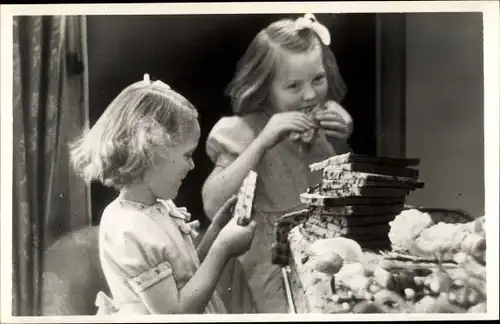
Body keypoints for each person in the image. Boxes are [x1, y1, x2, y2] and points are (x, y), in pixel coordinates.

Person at [202, 14, 354, 313]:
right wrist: (262, 142)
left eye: (318, 79)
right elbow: (213, 203)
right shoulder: (241, 133)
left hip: (318, 253)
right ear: (264, 86)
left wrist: (340, 138)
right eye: (294, 86)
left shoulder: (322, 122)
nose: (310, 94)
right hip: (263, 266)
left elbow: (337, 190)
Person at [69, 74, 256, 315]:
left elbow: (184, 275)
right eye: (187, 155)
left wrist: (215, 232)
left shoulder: (158, 205)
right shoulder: (128, 228)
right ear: (151, 153)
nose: (192, 166)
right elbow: (174, 314)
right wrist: (223, 248)